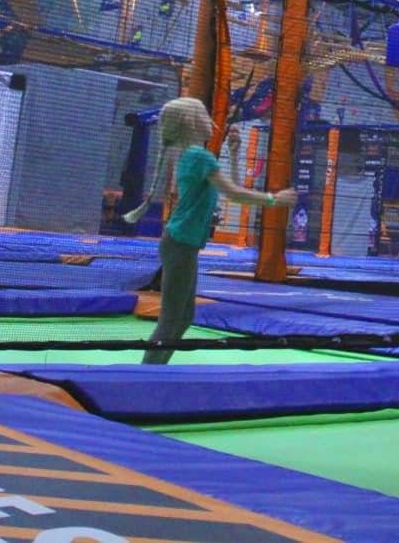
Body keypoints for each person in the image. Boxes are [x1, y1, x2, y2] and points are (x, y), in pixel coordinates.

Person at [125, 98, 295, 364]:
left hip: (182, 244)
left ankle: (155, 368)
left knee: (183, 317)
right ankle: (146, 372)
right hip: (180, 243)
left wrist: (234, 154)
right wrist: (275, 199)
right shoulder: (199, 157)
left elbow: (233, 188)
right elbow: (234, 193)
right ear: (191, 122)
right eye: (205, 116)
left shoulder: (194, 156)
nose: (211, 122)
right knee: (171, 319)